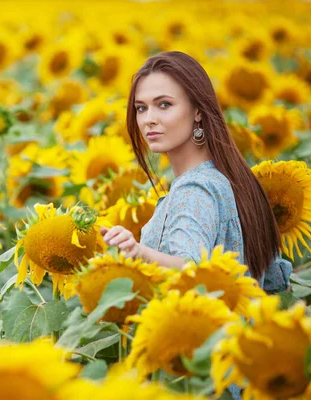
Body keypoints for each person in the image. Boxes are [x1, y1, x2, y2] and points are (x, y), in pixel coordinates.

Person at [100, 51, 291, 293]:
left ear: (198, 110)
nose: (149, 119)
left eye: (164, 105)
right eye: (141, 108)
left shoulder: (194, 190)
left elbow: (191, 270)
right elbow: (274, 281)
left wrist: (139, 253)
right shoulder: (232, 181)